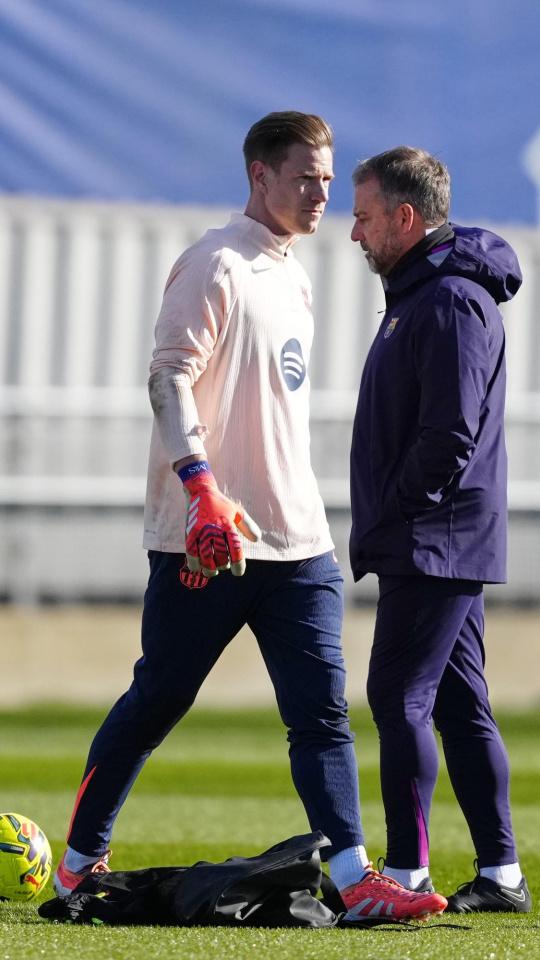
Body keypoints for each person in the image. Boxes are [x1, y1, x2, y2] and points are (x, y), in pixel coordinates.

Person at [53, 114, 446, 922]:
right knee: (158, 699)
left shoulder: (296, 276)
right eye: (306, 177)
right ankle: (80, 861)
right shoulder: (215, 262)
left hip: (297, 541)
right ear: (260, 175)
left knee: (323, 715)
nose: (322, 194)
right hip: (208, 541)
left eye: (330, 180)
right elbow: (167, 380)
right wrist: (201, 491)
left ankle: (352, 877)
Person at [349, 145, 531, 913]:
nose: (353, 233)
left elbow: (450, 434)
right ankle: (502, 875)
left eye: (362, 217)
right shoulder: (418, 294)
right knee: (459, 705)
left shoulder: (451, 300)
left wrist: (396, 509)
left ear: (404, 216)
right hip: (432, 534)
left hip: (436, 537)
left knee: (397, 696)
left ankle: (409, 871)